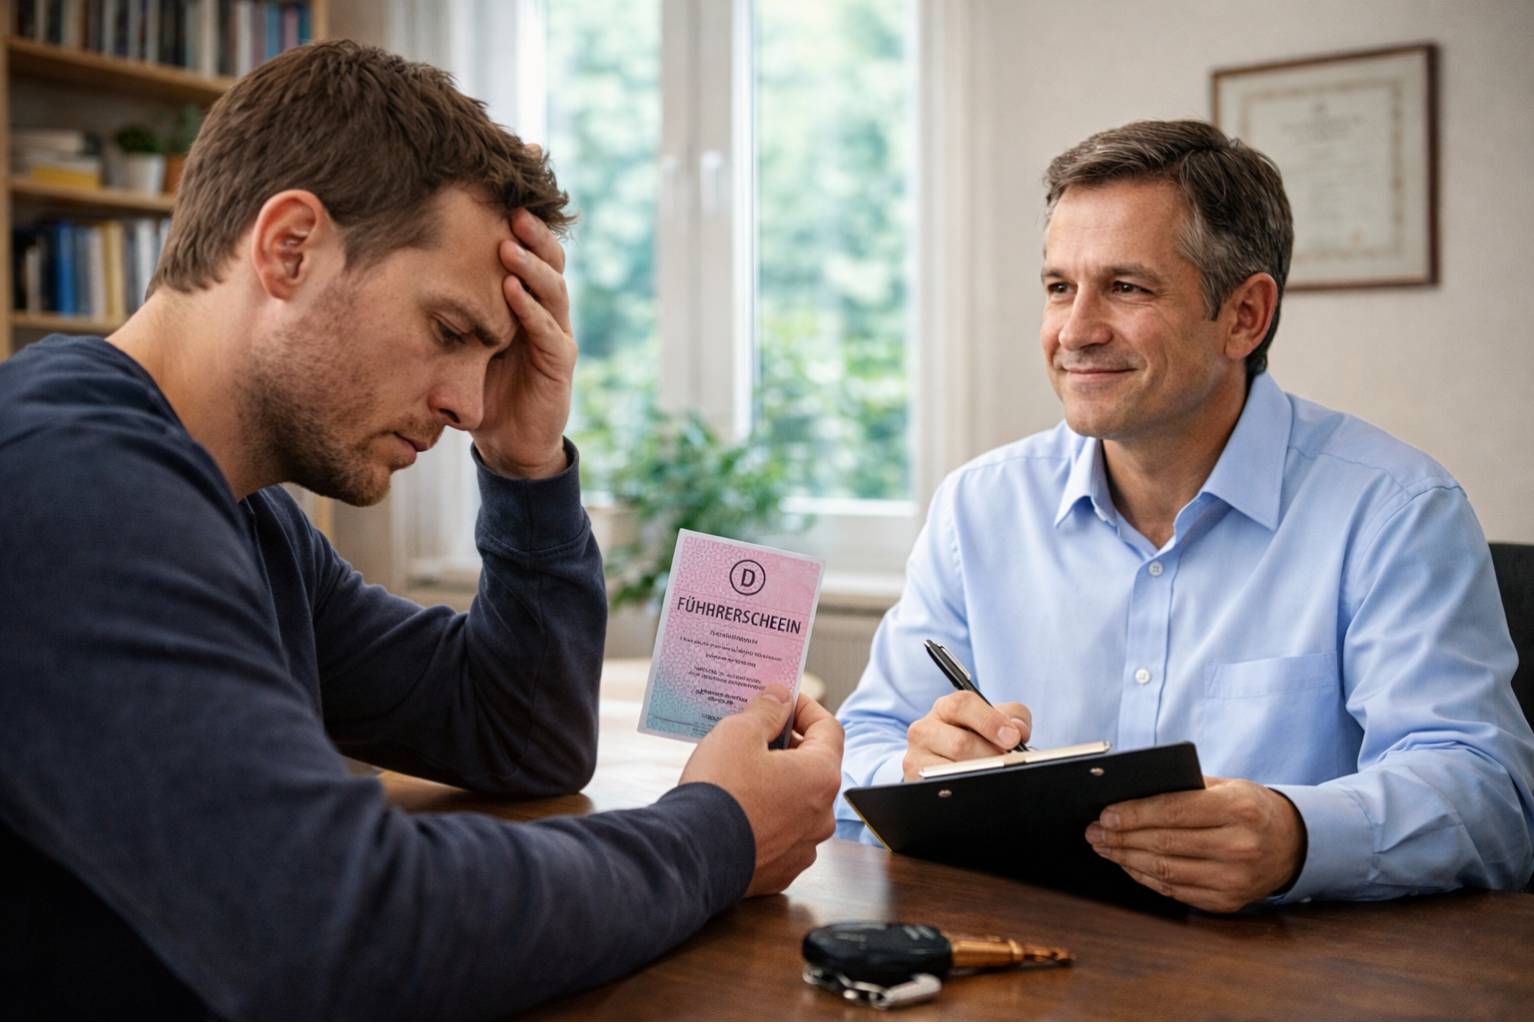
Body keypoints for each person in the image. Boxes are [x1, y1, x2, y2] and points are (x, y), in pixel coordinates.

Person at [0, 41, 841, 1016]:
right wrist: (717, 833)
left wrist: (526, 464)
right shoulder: (65, 480)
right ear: (290, 249)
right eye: (450, 332)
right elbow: (343, 924)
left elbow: (516, 733)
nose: (467, 403)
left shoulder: (246, 511)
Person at [835, 119, 1534, 912]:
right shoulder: (977, 507)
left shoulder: (1396, 512)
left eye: (1126, 288)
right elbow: (863, 746)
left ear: (1245, 315)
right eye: (1060, 286)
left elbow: (1492, 798)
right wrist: (917, 775)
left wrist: (1297, 834)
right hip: (1030, 962)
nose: (1075, 332)